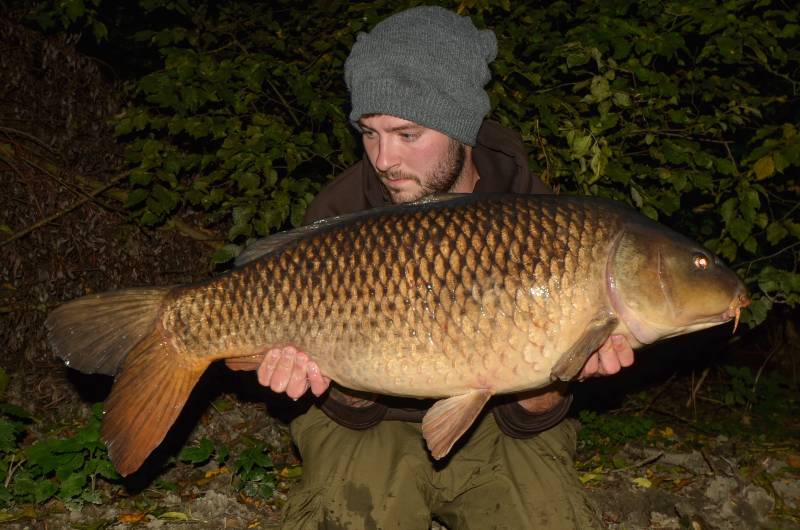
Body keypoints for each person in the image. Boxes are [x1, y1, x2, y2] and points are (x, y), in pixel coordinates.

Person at [255, 6, 634, 529]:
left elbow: (531, 418)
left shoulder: (539, 214)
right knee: (348, 513)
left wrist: (555, 379)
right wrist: (332, 378)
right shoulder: (339, 212)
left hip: (501, 428)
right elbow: (346, 411)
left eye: (407, 135)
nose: (383, 158)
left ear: (460, 127)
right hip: (368, 426)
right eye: (369, 133)